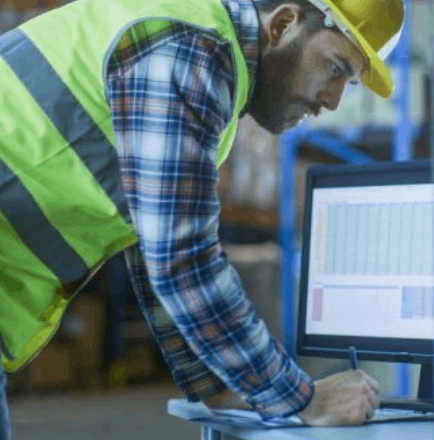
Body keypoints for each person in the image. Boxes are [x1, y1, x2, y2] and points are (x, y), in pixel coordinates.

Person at [0, 0, 404, 437]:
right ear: (285, 24)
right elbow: (180, 260)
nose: (333, 100)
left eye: (350, 83)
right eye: (335, 68)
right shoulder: (191, 48)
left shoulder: (195, 41)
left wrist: (217, 385)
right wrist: (298, 397)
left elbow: (149, 242)